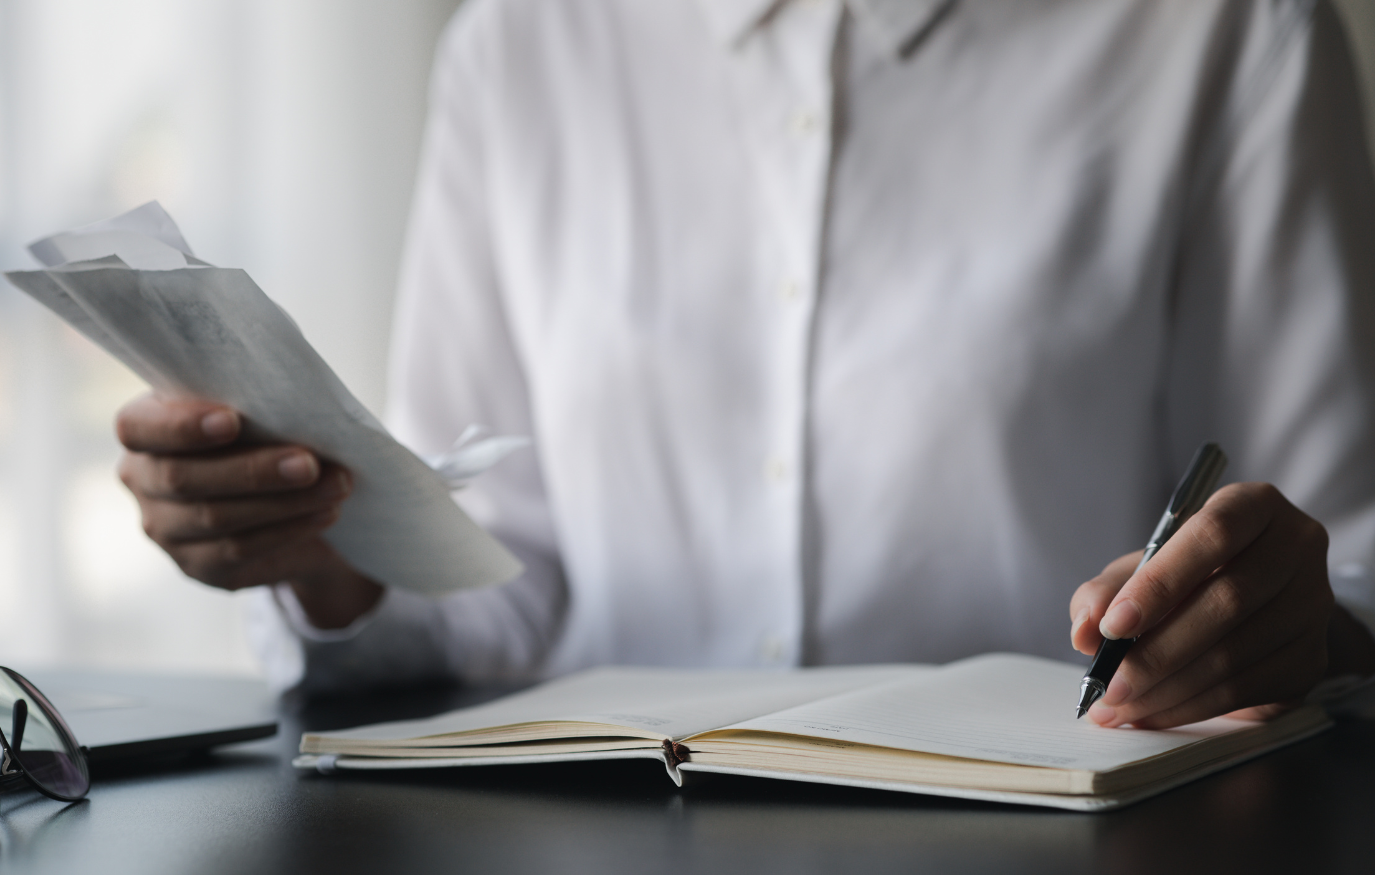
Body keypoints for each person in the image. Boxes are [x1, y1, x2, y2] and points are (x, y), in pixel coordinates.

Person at [116, 0, 1375, 728]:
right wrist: (322, 552)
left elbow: (1346, 554)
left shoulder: (1226, 32)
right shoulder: (521, 45)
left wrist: (1292, 618)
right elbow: (506, 590)